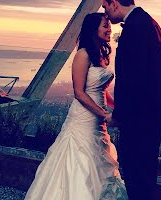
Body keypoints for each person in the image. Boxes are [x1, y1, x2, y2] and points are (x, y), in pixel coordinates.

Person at [25, 13, 127, 200]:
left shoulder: (103, 54)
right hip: (84, 117)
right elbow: (79, 93)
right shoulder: (83, 54)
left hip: (98, 119)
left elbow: (101, 90)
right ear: (93, 29)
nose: (109, 29)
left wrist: (119, 107)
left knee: (99, 161)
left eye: (109, 27)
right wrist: (105, 114)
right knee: (79, 160)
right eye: (105, 26)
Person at [101, 0, 161, 200]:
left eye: (105, 6)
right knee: (144, 169)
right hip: (150, 111)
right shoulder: (147, 22)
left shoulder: (136, 27)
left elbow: (132, 78)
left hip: (140, 114)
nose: (105, 12)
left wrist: (119, 115)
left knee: (136, 169)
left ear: (114, 3)